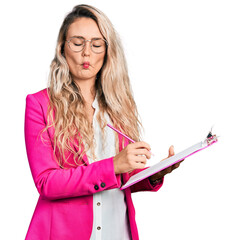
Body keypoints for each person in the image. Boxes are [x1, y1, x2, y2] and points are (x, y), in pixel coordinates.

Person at [24, 4, 183, 240]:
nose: (87, 52)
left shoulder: (118, 104)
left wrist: (154, 174)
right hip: (63, 233)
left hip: (118, 232)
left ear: (107, 51)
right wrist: (113, 165)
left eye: (96, 44)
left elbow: (121, 179)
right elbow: (47, 183)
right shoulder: (40, 104)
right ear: (62, 48)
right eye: (78, 43)